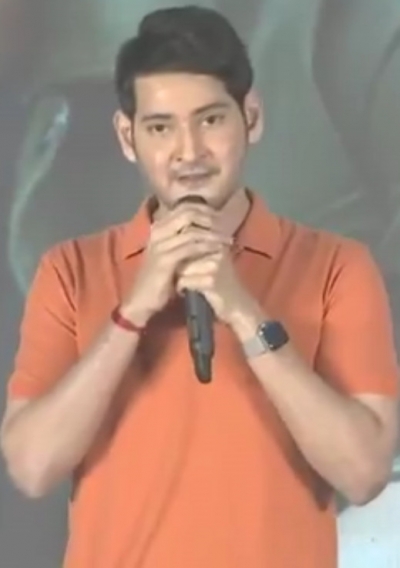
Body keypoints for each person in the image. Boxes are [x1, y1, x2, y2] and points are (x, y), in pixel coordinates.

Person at [0, 5, 399, 568]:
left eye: (210, 120)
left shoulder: (336, 34)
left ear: (251, 118)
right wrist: (130, 317)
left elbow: (363, 465)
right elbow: (34, 462)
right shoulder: (67, 268)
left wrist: (247, 315)